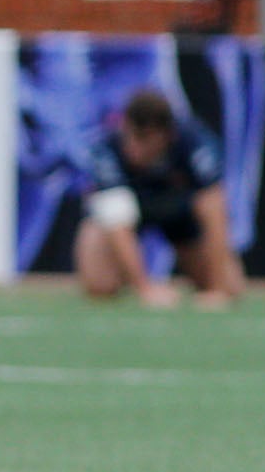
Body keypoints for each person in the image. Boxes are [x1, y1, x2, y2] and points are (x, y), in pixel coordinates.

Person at [75, 89, 244, 309]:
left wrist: (217, 289)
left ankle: (210, 284)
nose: (135, 147)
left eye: (145, 138)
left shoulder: (193, 141)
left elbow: (215, 208)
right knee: (100, 285)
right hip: (128, 219)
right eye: (132, 135)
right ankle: (137, 281)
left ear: (167, 134)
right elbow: (117, 221)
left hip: (179, 217)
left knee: (232, 286)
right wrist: (145, 289)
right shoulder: (107, 149)